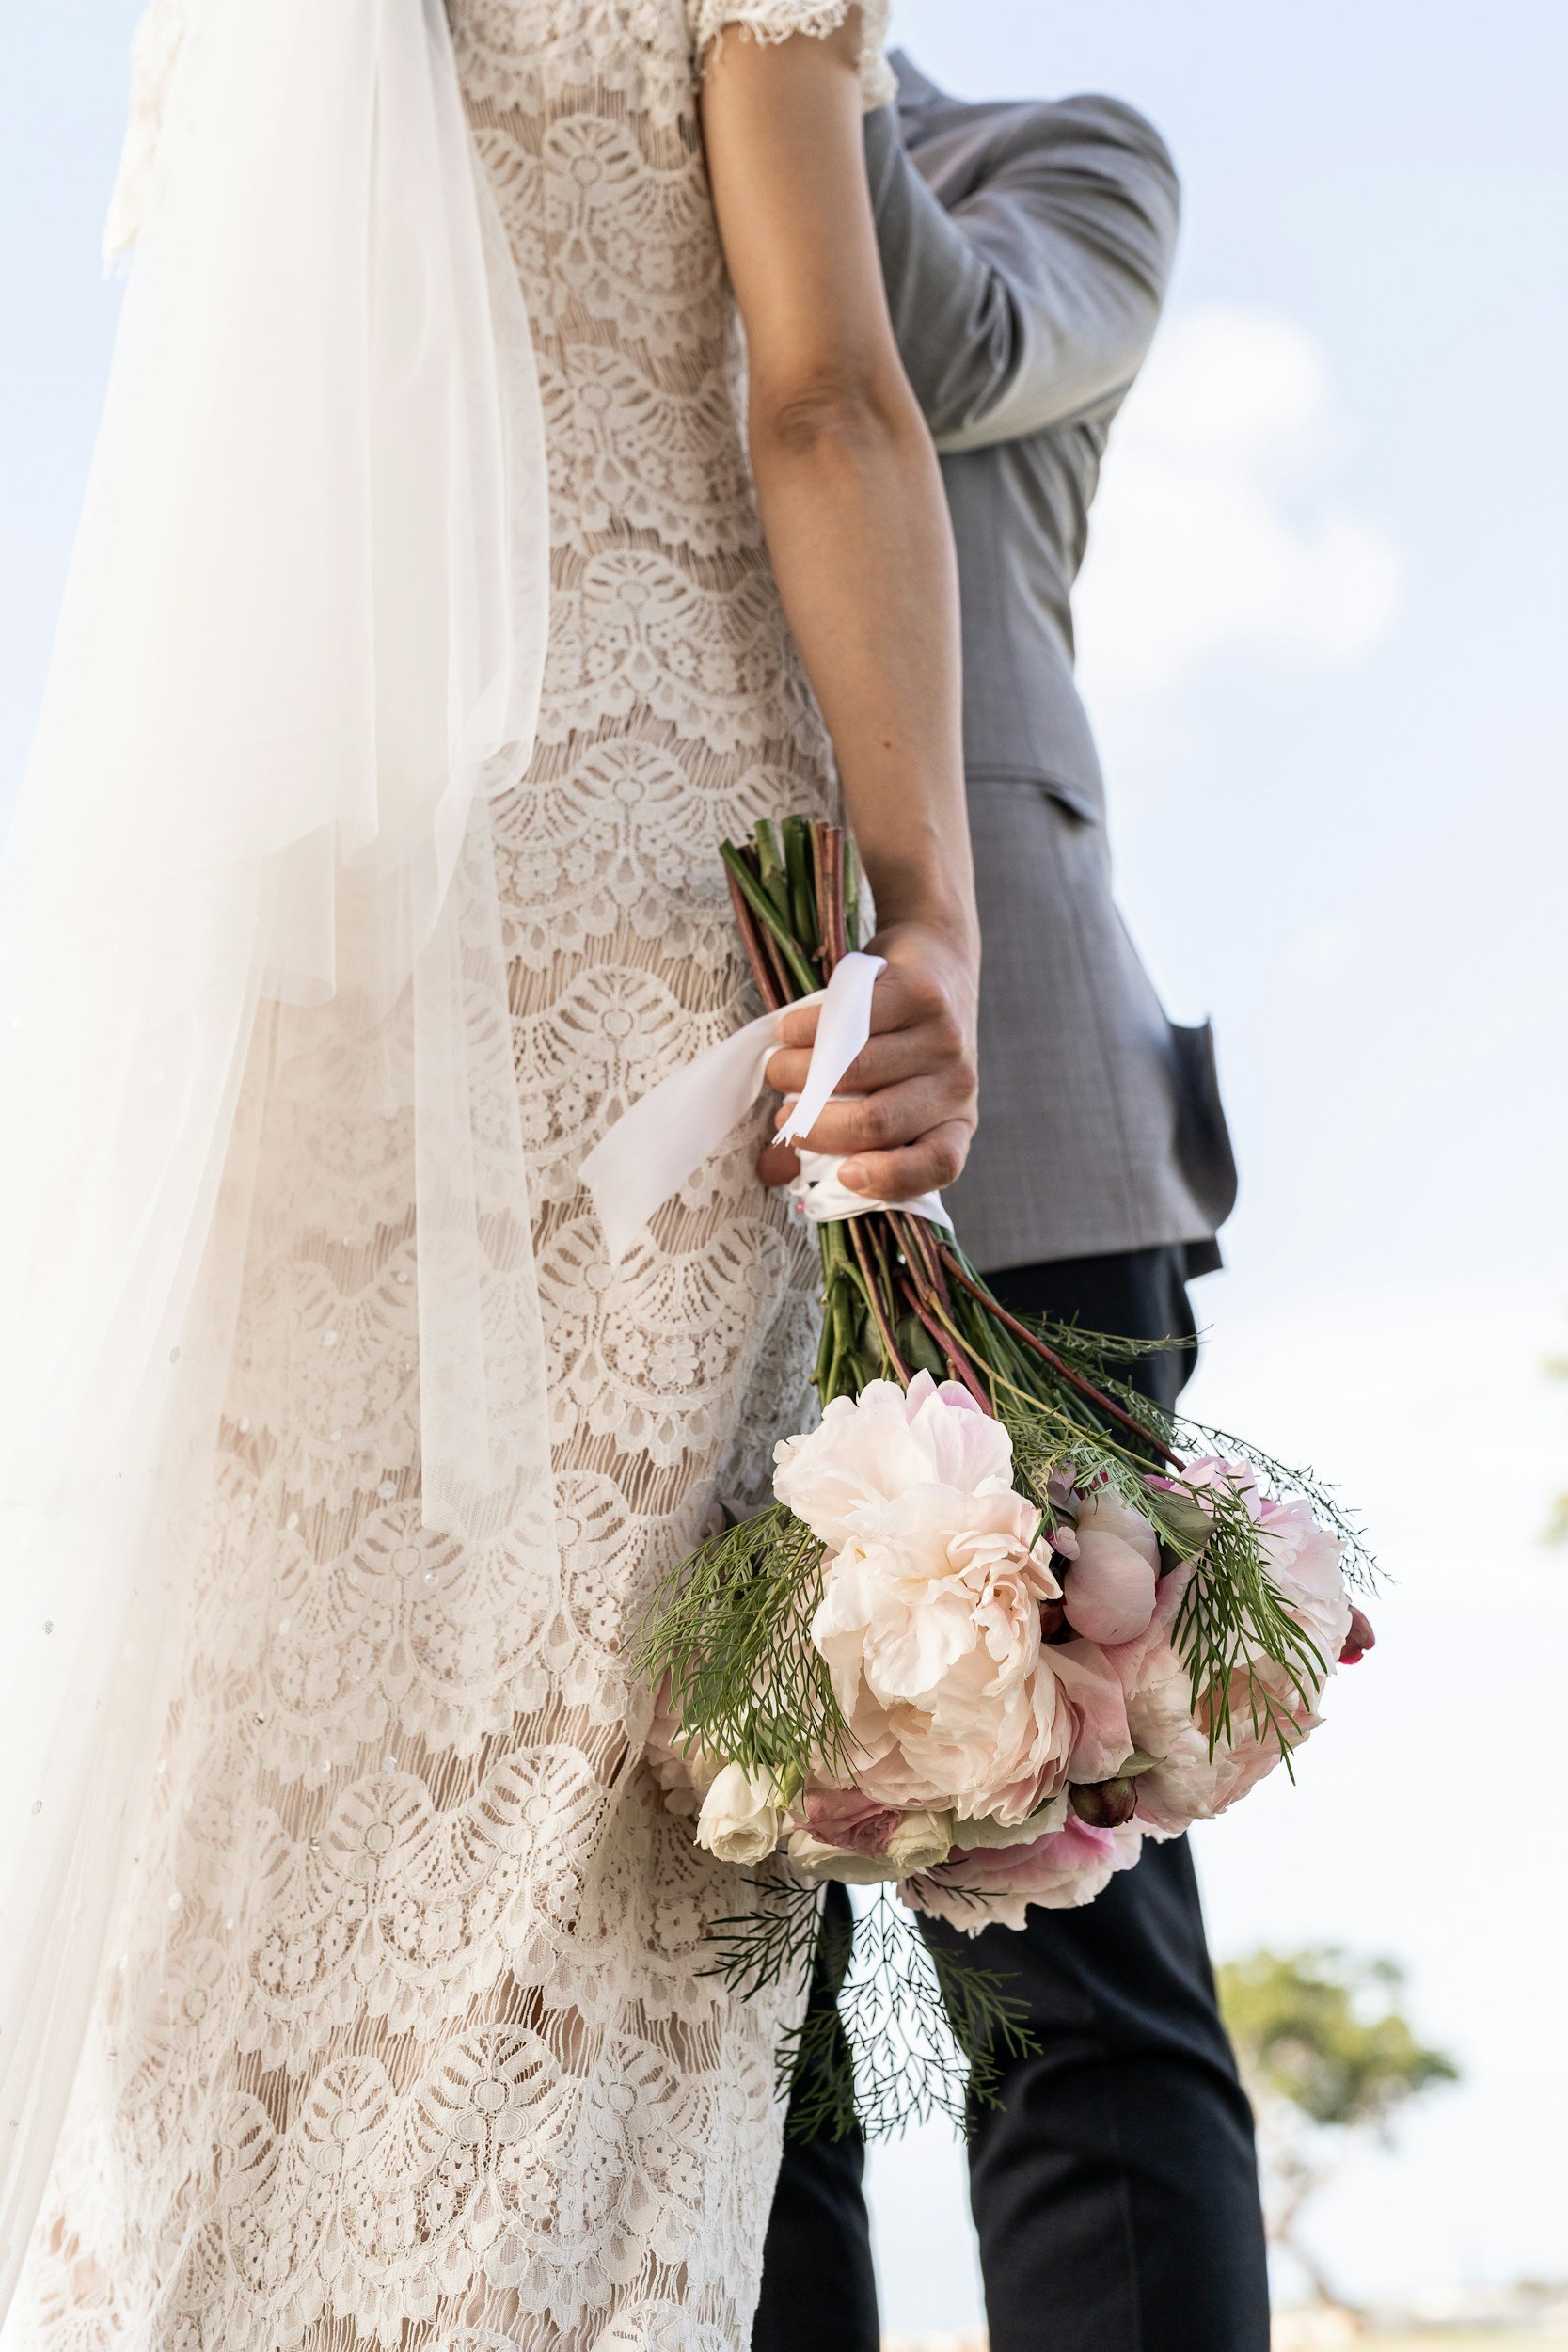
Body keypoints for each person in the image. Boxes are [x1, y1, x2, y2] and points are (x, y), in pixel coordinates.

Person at [0, 5, 982, 2344]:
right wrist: (931, 907)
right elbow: (825, 388)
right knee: (565, 1877)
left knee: (241, 1873)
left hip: (280, 981)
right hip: (623, 945)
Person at [753, 56, 1271, 2352]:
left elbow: (927, 348)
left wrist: (767, 52)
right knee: (726, 1981)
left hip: (1020, 1109)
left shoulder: (1060, 155)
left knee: (1072, 1942)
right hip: (663, 1104)